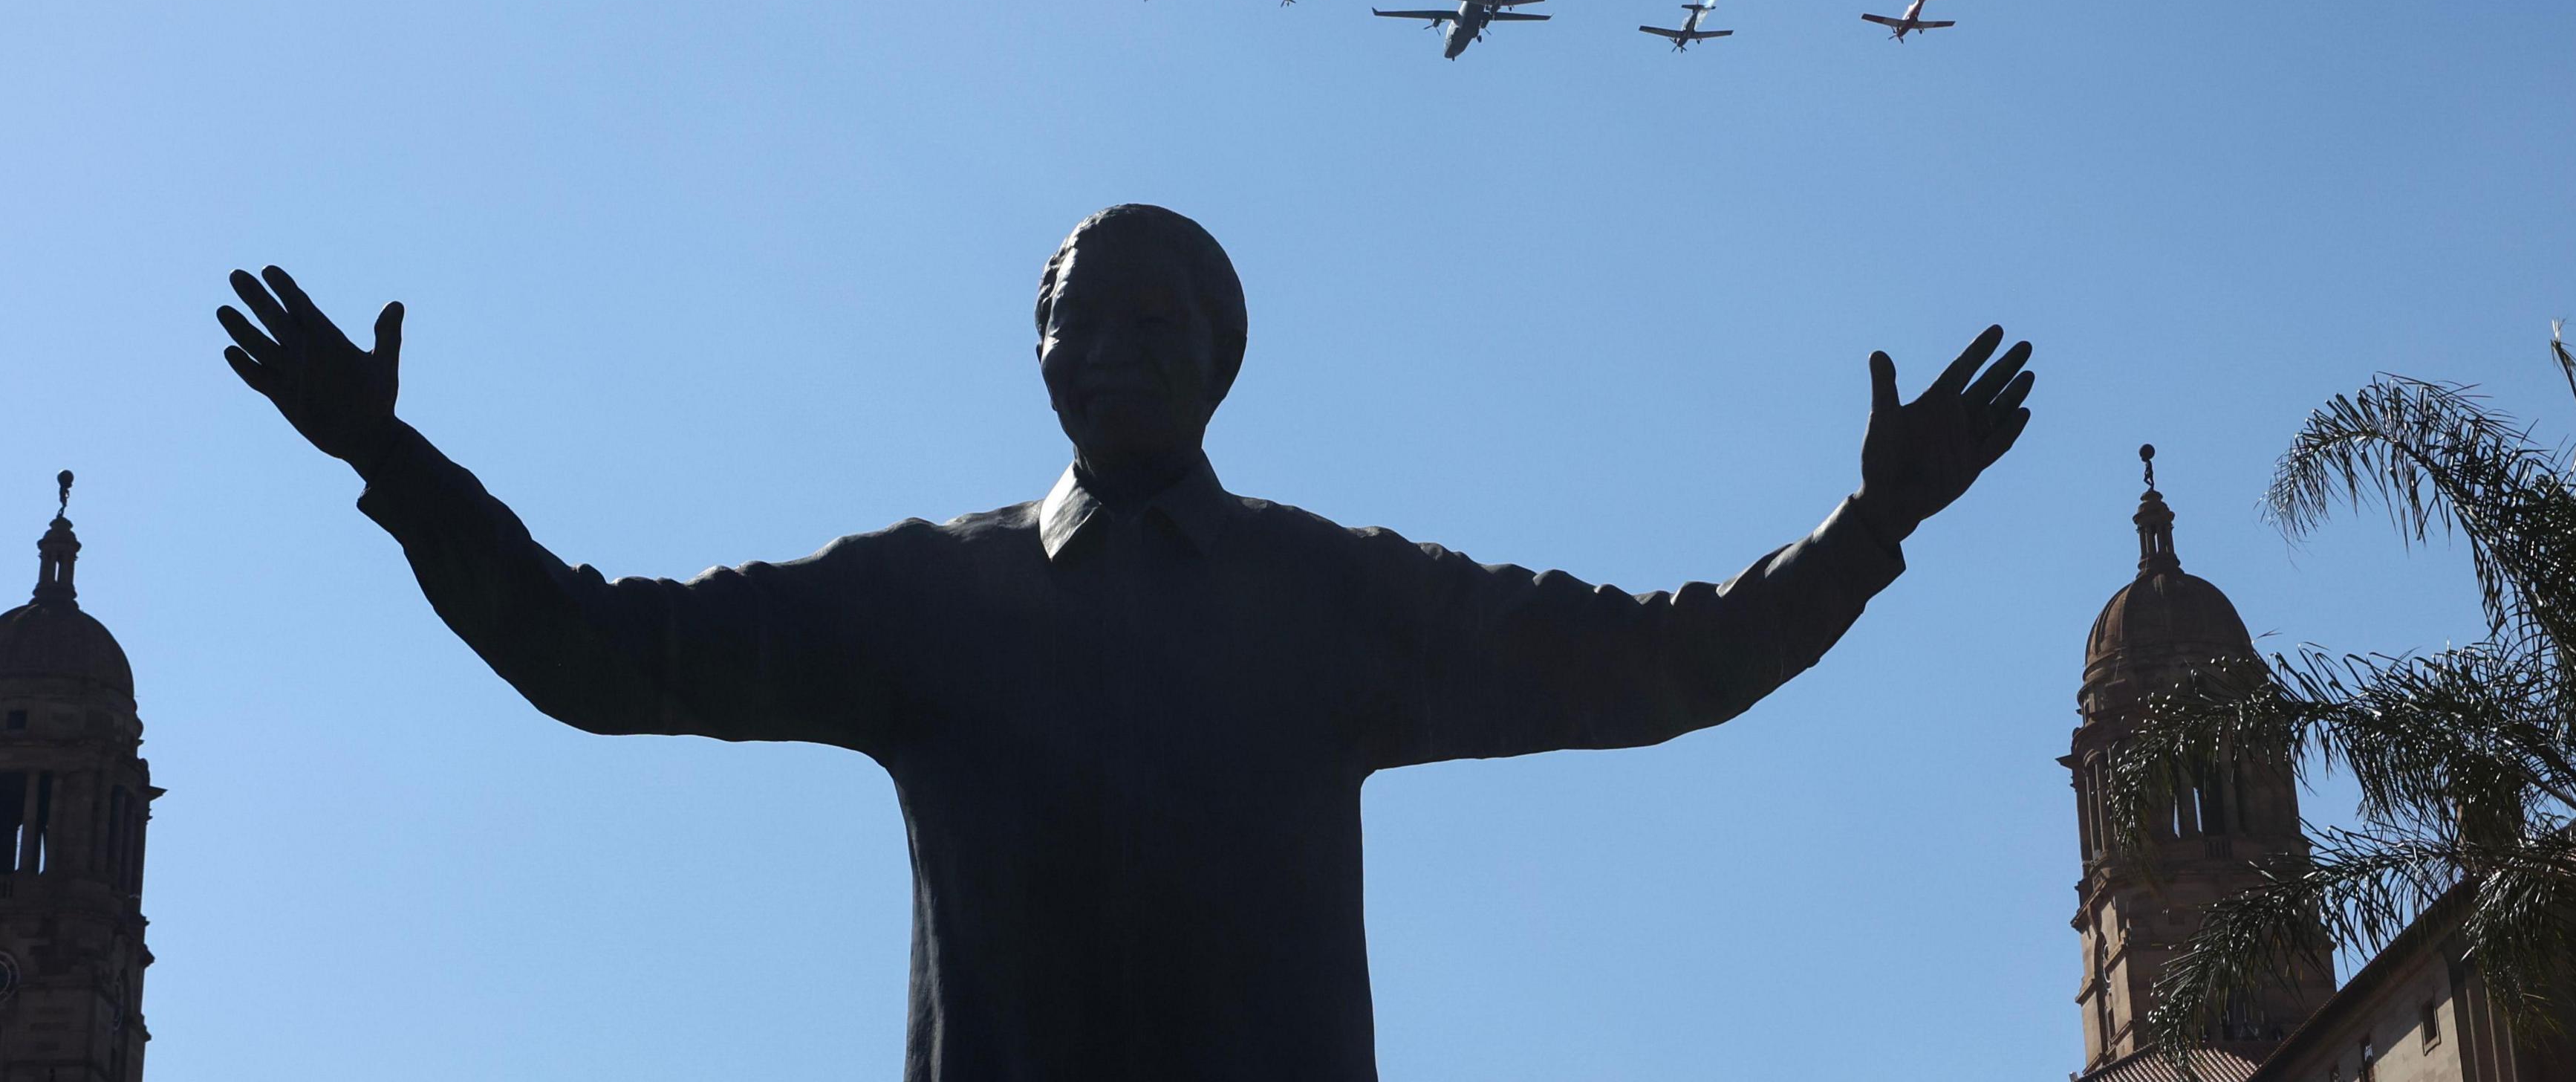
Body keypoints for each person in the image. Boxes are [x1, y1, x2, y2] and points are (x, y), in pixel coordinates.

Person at [218, 204, 2032, 1081]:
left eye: (1178, 320)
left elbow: (1662, 666)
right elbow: (595, 658)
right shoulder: (928, 602)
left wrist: (1868, 529)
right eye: (1102, 315)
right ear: (1045, 355)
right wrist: (392, 461)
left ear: (1223, 365)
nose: (1138, 343)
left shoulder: (1332, 600)